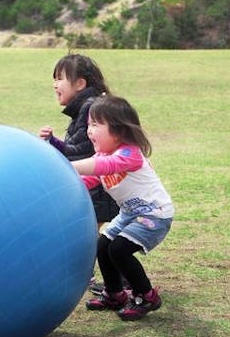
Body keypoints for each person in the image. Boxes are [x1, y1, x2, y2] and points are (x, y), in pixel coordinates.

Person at [71, 95, 174, 321]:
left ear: (118, 131)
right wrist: (66, 184)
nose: (89, 130)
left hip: (154, 214)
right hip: (129, 214)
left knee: (119, 249)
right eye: (89, 124)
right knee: (103, 245)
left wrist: (67, 166)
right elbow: (89, 180)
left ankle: (146, 296)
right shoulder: (103, 155)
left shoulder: (129, 154)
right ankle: (115, 294)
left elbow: (106, 166)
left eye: (96, 125)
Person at [38, 54, 120, 290]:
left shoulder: (90, 108)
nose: (55, 84)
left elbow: (83, 150)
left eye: (60, 78)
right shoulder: (86, 107)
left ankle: (90, 277)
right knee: (89, 234)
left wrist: (54, 144)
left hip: (99, 186)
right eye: (54, 78)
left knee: (84, 234)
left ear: (80, 83)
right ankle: (93, 276)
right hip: (97, 183)